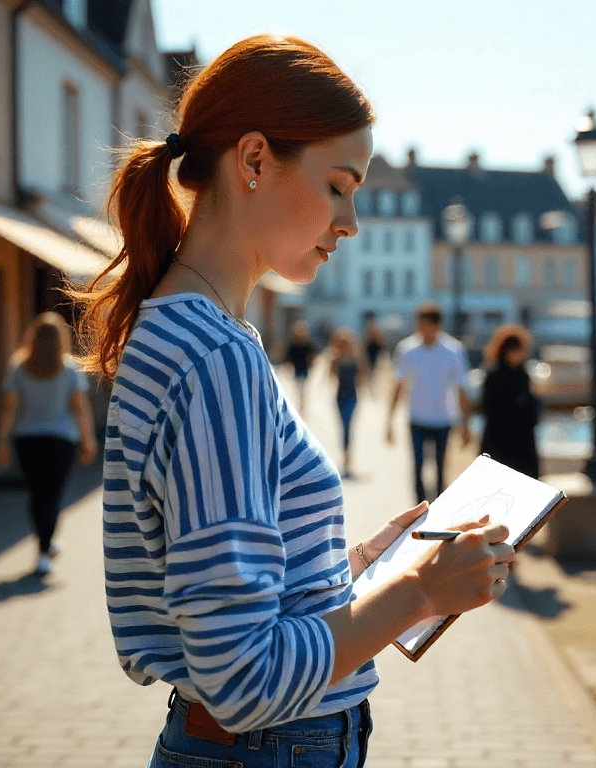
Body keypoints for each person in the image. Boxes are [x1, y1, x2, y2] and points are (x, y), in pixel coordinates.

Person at [71, 35, 513, 768]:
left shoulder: (180, 329)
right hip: (270, 748)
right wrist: (417, 591)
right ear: (252, 161)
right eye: (339, 185)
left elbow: (223, 599)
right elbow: (244, 678)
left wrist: (354, 568)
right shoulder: (218, 354)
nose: (351, 222)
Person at [0, 311, 97, 576]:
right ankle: (44, 549)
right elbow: (80, 408)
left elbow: (9, 409)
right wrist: (89, 440)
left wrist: (2, 442)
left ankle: (44, 543)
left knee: (37, 494)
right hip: (62, 439)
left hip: (27, 438)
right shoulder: (70, 368)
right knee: (52, 495)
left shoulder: (19, 366)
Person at [385, 302, 472, 504]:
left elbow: (461, 389)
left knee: (441, 468)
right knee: (418, 466)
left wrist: (465, 425)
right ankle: (419, 510)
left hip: (444, 419)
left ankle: (439, 508)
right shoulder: (407, 349)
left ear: (437, 325)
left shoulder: (453, 350)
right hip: (417, 417)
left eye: (427, 325)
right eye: (420, 325)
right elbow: (399, 385)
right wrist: (389, 420)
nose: (423, 330)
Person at [478, 325, 541, 479]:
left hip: (523, 442)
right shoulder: (494, 376)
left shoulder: (523, 375)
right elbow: (489, 408)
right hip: (499, 441)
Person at [329, 326, 367, 479]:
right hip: (340, 397)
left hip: (352, 396)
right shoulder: (336, 359)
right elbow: (331, 375)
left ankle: (347, 459)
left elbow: (362, 376)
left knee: (348, 426)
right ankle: (345, 457)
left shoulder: (356, 359)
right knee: (342, 427)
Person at [285, 319, 317, 415]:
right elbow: (288, 357)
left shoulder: (308, 344)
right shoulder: (293, 344)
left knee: (303, 388)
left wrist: (312, 362)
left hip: (305, 370)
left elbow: (314, 354)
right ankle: (300, 403)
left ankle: (302, 404)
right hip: (296, 370)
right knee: (298, 388)